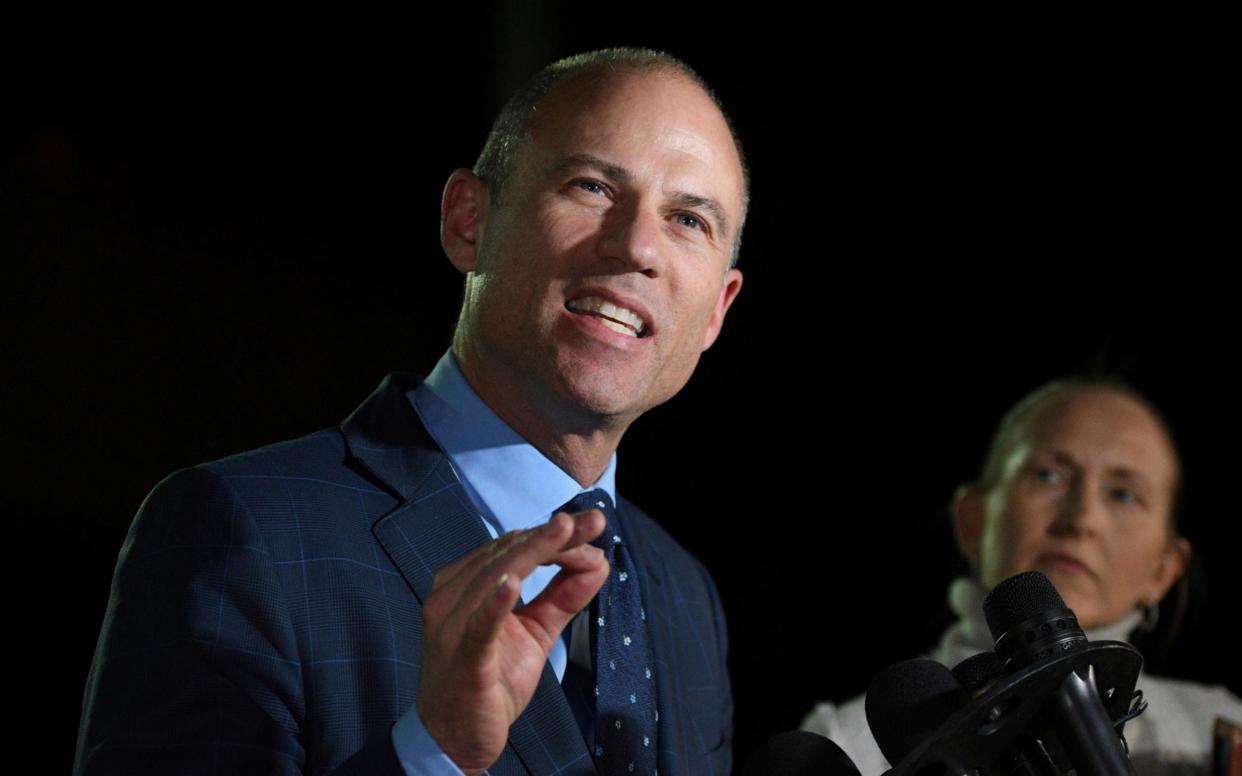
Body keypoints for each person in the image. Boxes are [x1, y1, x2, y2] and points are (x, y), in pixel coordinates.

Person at [74, 48, 746, 776]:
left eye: (687, 219)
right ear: (467, 221)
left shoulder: (685, 596)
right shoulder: (238, 533)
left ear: (716, 311)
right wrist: (434, 754)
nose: (638, 245)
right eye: (590, 185)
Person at [802, 379, 1242, 776]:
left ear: (1164, 569)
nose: (1081, 518)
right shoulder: (843, 745)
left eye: (1123, 494)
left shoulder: (1217, 733)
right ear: (973, 521)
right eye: (1048, 475)